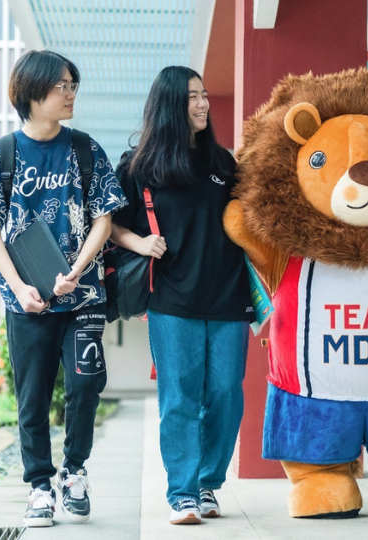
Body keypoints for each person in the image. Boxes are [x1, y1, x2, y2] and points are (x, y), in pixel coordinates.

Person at [0, 50, 127, 528]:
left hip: (82, 297)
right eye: (62, 85)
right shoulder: (2, 154)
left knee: (85, 385)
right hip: (27, 301)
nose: (70, 93)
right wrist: (17, 285)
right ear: (32, 92)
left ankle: (73, 472)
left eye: (73, 84)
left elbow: (104, 218)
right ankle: (39, 486)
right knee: (32, 395)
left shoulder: (86, 150)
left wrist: (77, 270)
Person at [110, 66, 252, 526]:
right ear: (171, 103)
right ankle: (183, 492)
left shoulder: (224, 164)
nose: (204, 103)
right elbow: (109, 224)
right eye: (193, 96)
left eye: (205, 95)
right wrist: (139, 242)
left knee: (227, 394)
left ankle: (210, 481)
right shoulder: (137, 167)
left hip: (229, 297)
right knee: (180, 398)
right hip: (172, 300)